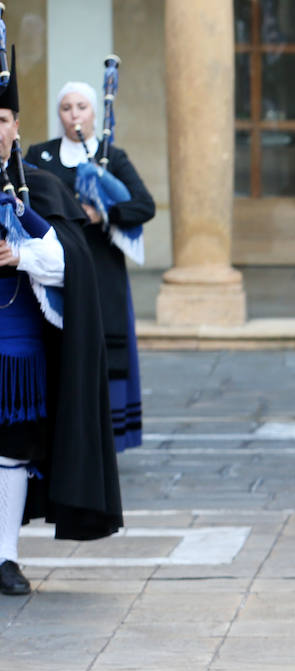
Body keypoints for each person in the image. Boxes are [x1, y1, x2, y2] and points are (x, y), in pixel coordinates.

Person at [0, 64, 122, 595]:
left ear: (17, 125)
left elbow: (71, 265)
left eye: (0, 118)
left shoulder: (41, 185)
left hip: (17, 352)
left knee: (10, 449)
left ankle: (4, 557)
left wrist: (19, 251)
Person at [28, 80, 155, 451]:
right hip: (58, 270)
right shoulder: (41, 155)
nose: (74, 115)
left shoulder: (110, 157)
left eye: (81, 107)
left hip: (102, 272)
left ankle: (105, 442)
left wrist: (104, 214)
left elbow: (143, 206)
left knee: (102, 349)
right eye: (67, 108)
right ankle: (63, 437)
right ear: (59, 114)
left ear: (94, 113)